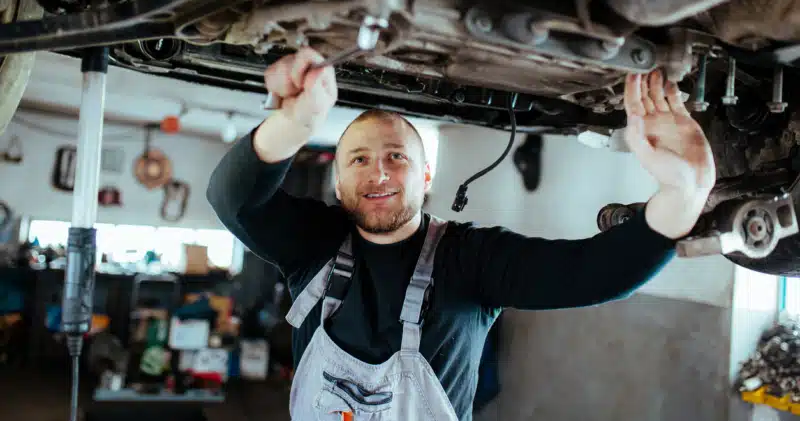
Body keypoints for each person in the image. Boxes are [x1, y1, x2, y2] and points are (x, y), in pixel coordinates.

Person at [206, 47, 716, 421]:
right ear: (338, 181)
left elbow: (592, 273)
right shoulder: (312, 245)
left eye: (396, 157)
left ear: (425, 176)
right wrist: (292, 124)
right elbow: (232, 199)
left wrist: (685, 192)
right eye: (358, 160)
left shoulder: (469, 259)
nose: (378, 173)